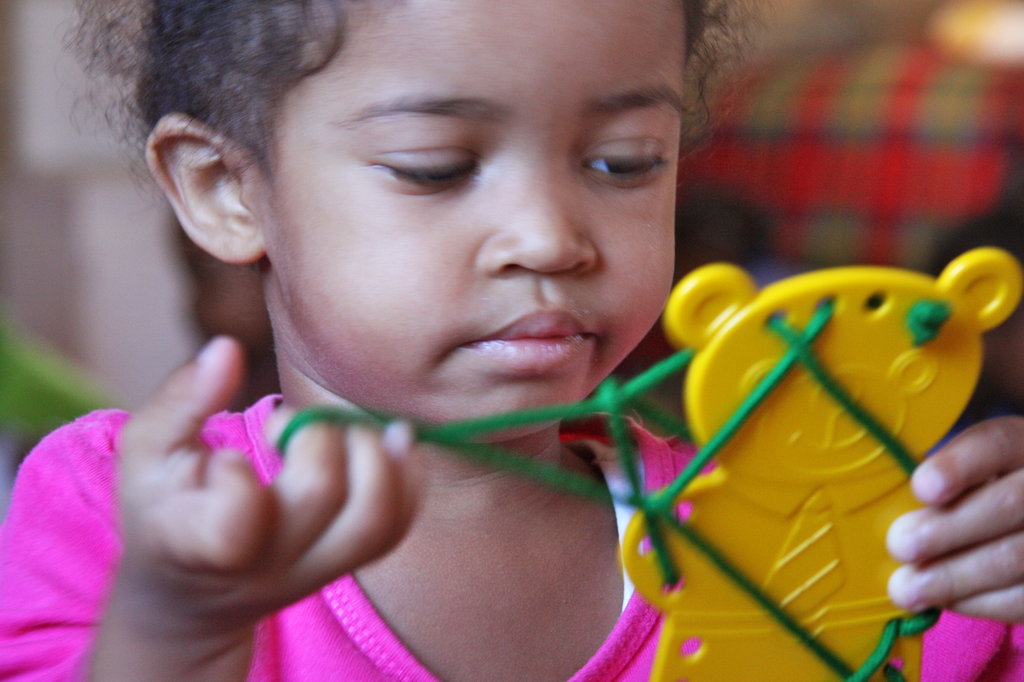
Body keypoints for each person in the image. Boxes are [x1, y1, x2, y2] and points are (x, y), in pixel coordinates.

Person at [1, 1, 1024, 680]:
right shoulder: (117, 517)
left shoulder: (794, 525)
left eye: (623, 162)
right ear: (226, 189)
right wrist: (168, 630)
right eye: (436, 167)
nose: (549, 237)